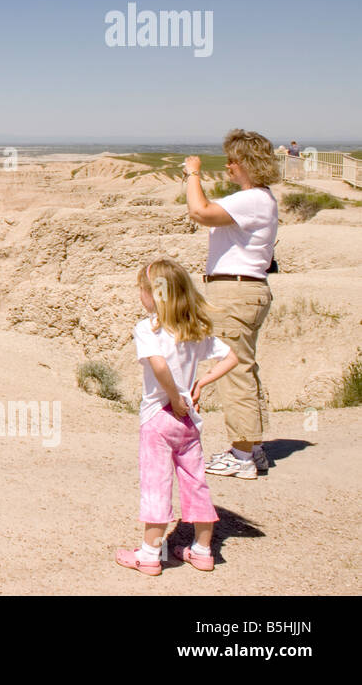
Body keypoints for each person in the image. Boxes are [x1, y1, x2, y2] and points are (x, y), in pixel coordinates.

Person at [116, 260, 237, 576]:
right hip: (188, 421)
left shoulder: (148, 328)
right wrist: (201, 382)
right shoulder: (194, 329)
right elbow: (232, 357)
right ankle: (202, 550)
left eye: (142, 291)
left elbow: (158, 366)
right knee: (196, 482)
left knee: (156, 483)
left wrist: (172, 396)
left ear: (153, 295)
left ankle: (149, 554)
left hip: (159, 417)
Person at [183, 129, 279, 479]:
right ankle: (252, 448)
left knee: (233, 369)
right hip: (247, 290)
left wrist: (193, 172)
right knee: (244, 367)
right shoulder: (260, 199)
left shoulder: (252, 198)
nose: (228, 166)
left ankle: (240, 456)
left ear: (248, 163)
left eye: (233, 160)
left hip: (235, 293)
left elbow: (200, 211)